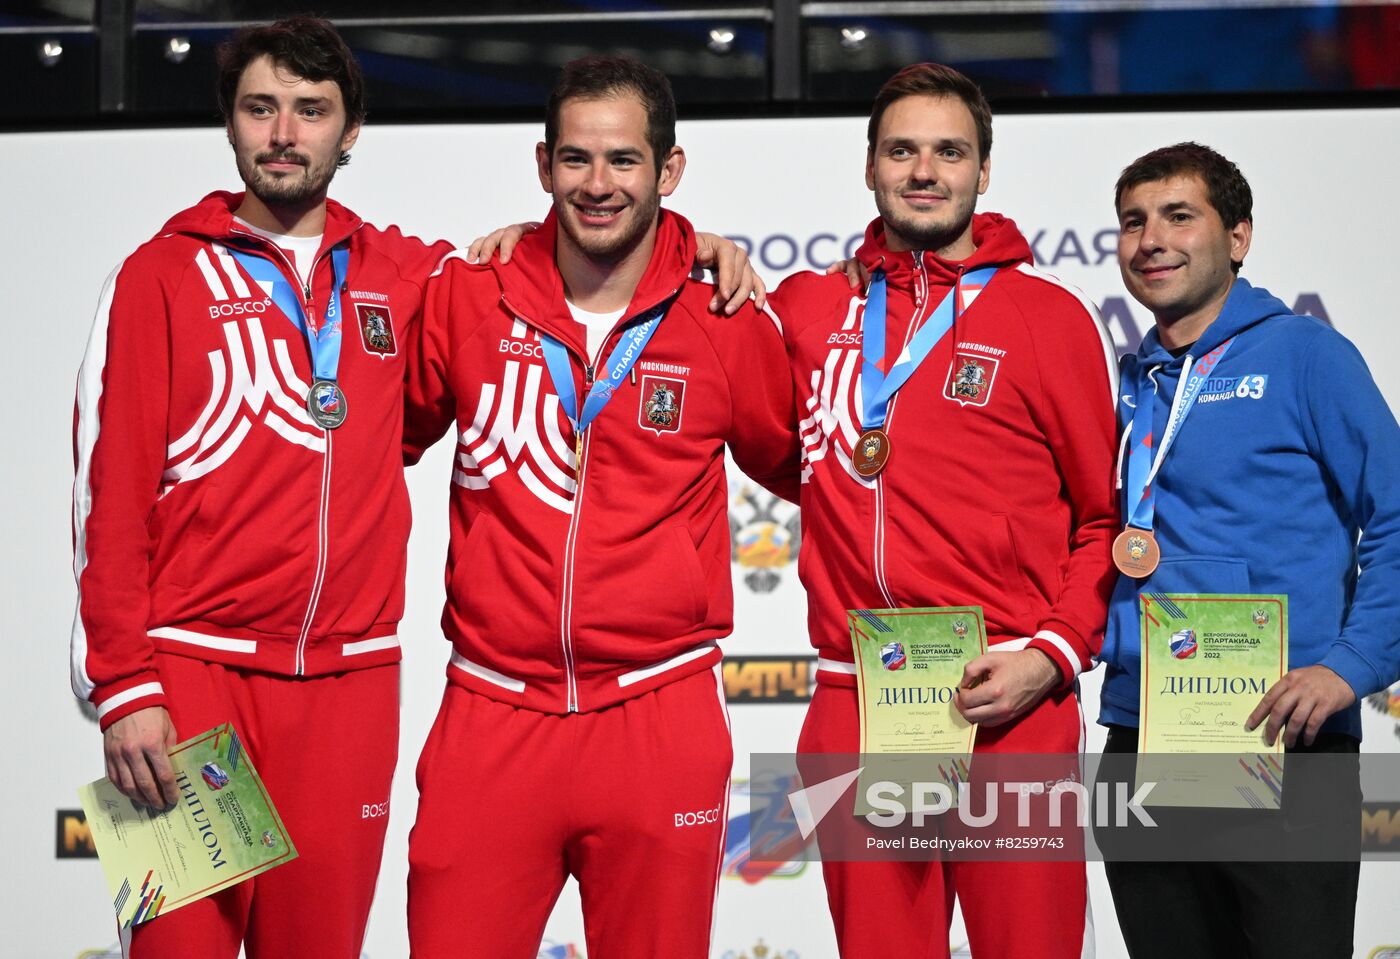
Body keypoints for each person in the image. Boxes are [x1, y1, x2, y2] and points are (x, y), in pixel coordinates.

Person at [469, 61, 1118, 958]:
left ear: (984, 170)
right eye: (902, 150)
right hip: (863, 695)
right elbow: (787, 444)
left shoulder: (1049, 317)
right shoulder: (812, 305)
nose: (924, 171)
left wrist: (1049, 655)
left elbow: (1102, 523)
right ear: (869, 166)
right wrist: (567, 245)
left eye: (948, 152)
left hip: (1009, 697)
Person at [400, 56, 800, 958]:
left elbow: (822, 475)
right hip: (491, 715)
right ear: (543, 166)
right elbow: (365, 446)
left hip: (657, 712)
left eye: (624, 161)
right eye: (576, 160)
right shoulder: (471, 293)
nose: (598, 184)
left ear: (670, 170)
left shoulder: (724, 319)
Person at [70, 17, 450, 956]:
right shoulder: (158, 275)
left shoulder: (402, 274)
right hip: (195, 677)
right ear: (232, 126)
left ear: (349, 131)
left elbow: (555, 264)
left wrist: (698, 251)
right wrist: (123, 687)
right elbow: (105, 500)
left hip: (348, 688)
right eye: (261, 108)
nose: (284, 132)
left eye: (311, 111)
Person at [1098, 141, 1400, 958]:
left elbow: (1398, 516)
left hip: (1281, 735)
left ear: (1239, 237)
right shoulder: (1134, 381)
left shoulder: (1307, 355)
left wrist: (1350, 665)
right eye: (1133, 221)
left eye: (1178, 216)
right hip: (1147, 731)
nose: (1150, 237)